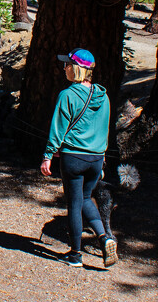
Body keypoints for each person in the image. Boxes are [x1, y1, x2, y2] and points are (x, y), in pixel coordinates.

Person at [40, 48, 117, 269]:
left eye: (66, 65)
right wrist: (102, 158)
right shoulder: (103, 96)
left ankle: (75, 254)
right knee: (85, 198)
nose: (63, 68)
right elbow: (104, 129)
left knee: (74, 204)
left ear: (76, 69)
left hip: (73, 158)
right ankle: (105, 237)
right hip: (96, 158)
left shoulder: (68, 95)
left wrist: (48, 155)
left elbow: (58, 127)